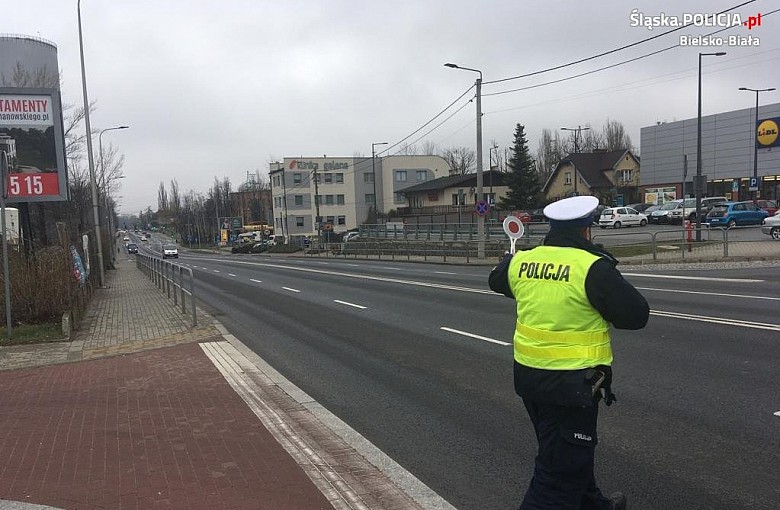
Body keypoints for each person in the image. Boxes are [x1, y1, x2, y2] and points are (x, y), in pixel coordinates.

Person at [488, 195, 649, 510]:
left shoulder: (523, 261)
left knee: (564, 453)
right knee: (556, 478)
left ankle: (593, 505)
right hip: (571, 386)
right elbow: (636, 316)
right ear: (586, 230)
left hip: (530, 380)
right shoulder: (591, 267)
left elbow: (497, 281)